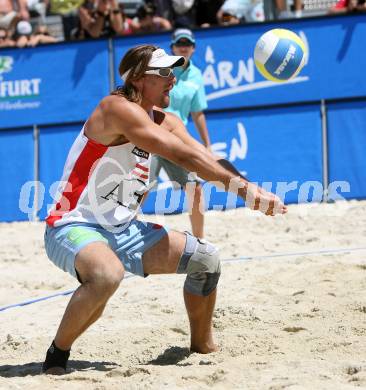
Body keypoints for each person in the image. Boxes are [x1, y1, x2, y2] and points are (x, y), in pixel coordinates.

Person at [41, 44, 287, 375]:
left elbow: (207, 158)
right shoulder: (116, 109)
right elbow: (183, 157)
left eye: (175, 72)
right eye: (166, 73)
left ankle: (202, 346)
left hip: (123, 229)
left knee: (206, 260)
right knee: (106, 275)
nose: (174, 79)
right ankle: (57, 356)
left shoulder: (167, 121)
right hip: (72, 225)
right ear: (140, 79)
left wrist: (252, 187)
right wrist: (243, 192)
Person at [149, 28, 210, 239]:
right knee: (139, 189)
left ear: (193, 48)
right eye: (179, 43)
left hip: (177, 141)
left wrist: (207, 145)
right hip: (152, 135)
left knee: (195, 190)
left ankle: (200, 241)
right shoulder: (161, 68)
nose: (183, 47)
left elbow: (197, 113)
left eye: (187, 43)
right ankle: (121, 235)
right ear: (172, 47)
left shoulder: (197, 75)